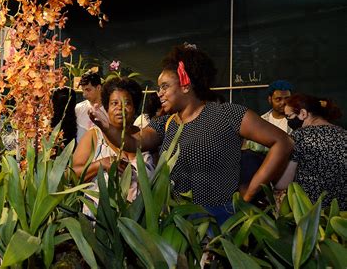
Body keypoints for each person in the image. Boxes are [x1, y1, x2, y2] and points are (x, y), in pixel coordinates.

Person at [89, 43, 293, 225]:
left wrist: (250, 192)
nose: (159, 93)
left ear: (185, 85)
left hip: (221, 220)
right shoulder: (166, 123)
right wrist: (107, 127)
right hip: (179, 221)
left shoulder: (226, 114)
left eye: (165, 86)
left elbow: (282, 142)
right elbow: (133, 143)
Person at [73, 77, 154, 203]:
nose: (120, 108)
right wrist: (101, 164)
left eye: (127, 103)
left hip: (140, 219)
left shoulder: (145, 137)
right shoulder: (94, 136)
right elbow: (71, 175)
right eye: (114, 103)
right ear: (107, 107)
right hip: (99, 218)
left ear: (135, 107)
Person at [276, 94, 346, 210]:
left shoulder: (299, 136)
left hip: (311, 214)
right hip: (341, 215)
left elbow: (283, 183)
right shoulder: (344, 134)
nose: (288, 121)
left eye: (288, 116)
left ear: (303, 113)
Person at [240, 80, 293, 191]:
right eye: (278, 99)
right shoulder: (260, 122)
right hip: (261, 176)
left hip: (288, 175)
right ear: (270, 99)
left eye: (287, 99)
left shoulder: (297, 121)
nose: (283, 102)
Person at [75, 72, 107, 143]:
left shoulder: (109, 110)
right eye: (83, 90)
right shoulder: (78, 109)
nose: (84, 95)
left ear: (98, 87)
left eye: (88, 90)